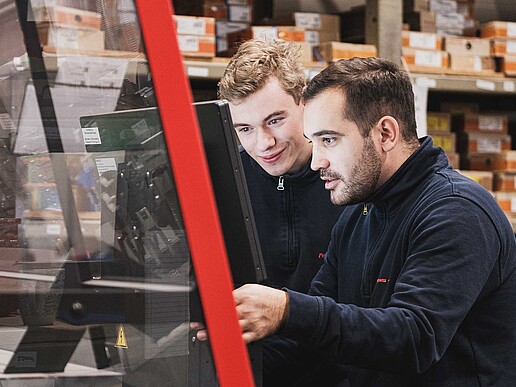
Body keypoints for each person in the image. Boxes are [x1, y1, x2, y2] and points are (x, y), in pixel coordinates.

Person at [231, 57, 516, 386]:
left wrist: (287, 309)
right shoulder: (357, 215)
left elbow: (414, 338)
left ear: (385, 133)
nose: (316, 162)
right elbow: (311, 342)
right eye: (315, 141)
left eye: (330, 140)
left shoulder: (456, 211)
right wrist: (228, 364)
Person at [216, 38, 346, 386]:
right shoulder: (227, 179)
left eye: (275, 120)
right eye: (244, 129)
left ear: (305, 102)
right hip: (252, 370)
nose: (264, 143)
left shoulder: (351, 180)